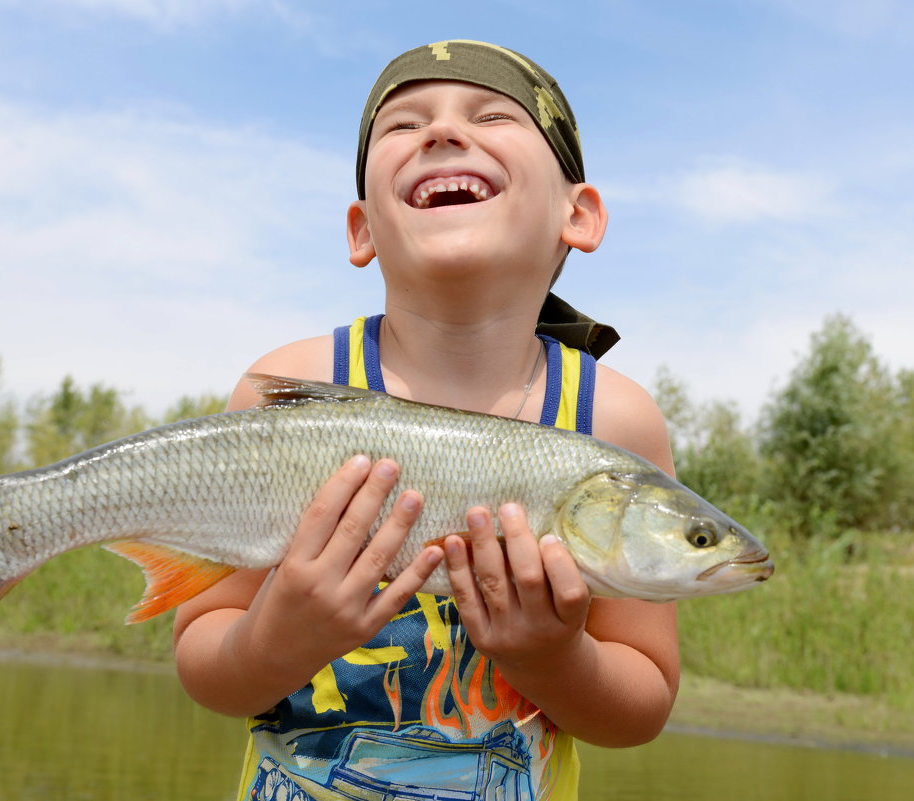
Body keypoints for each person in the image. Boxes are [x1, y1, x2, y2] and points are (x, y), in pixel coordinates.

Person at [173, 40, 679, 801]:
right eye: (401, 126)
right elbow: (205, 665)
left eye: (491, 114)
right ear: (361, 229)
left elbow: (640, 705)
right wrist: (281, 636)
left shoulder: (612, 419)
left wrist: (551, 656)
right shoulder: (287, 384)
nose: (441, 132)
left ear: (577, 213)